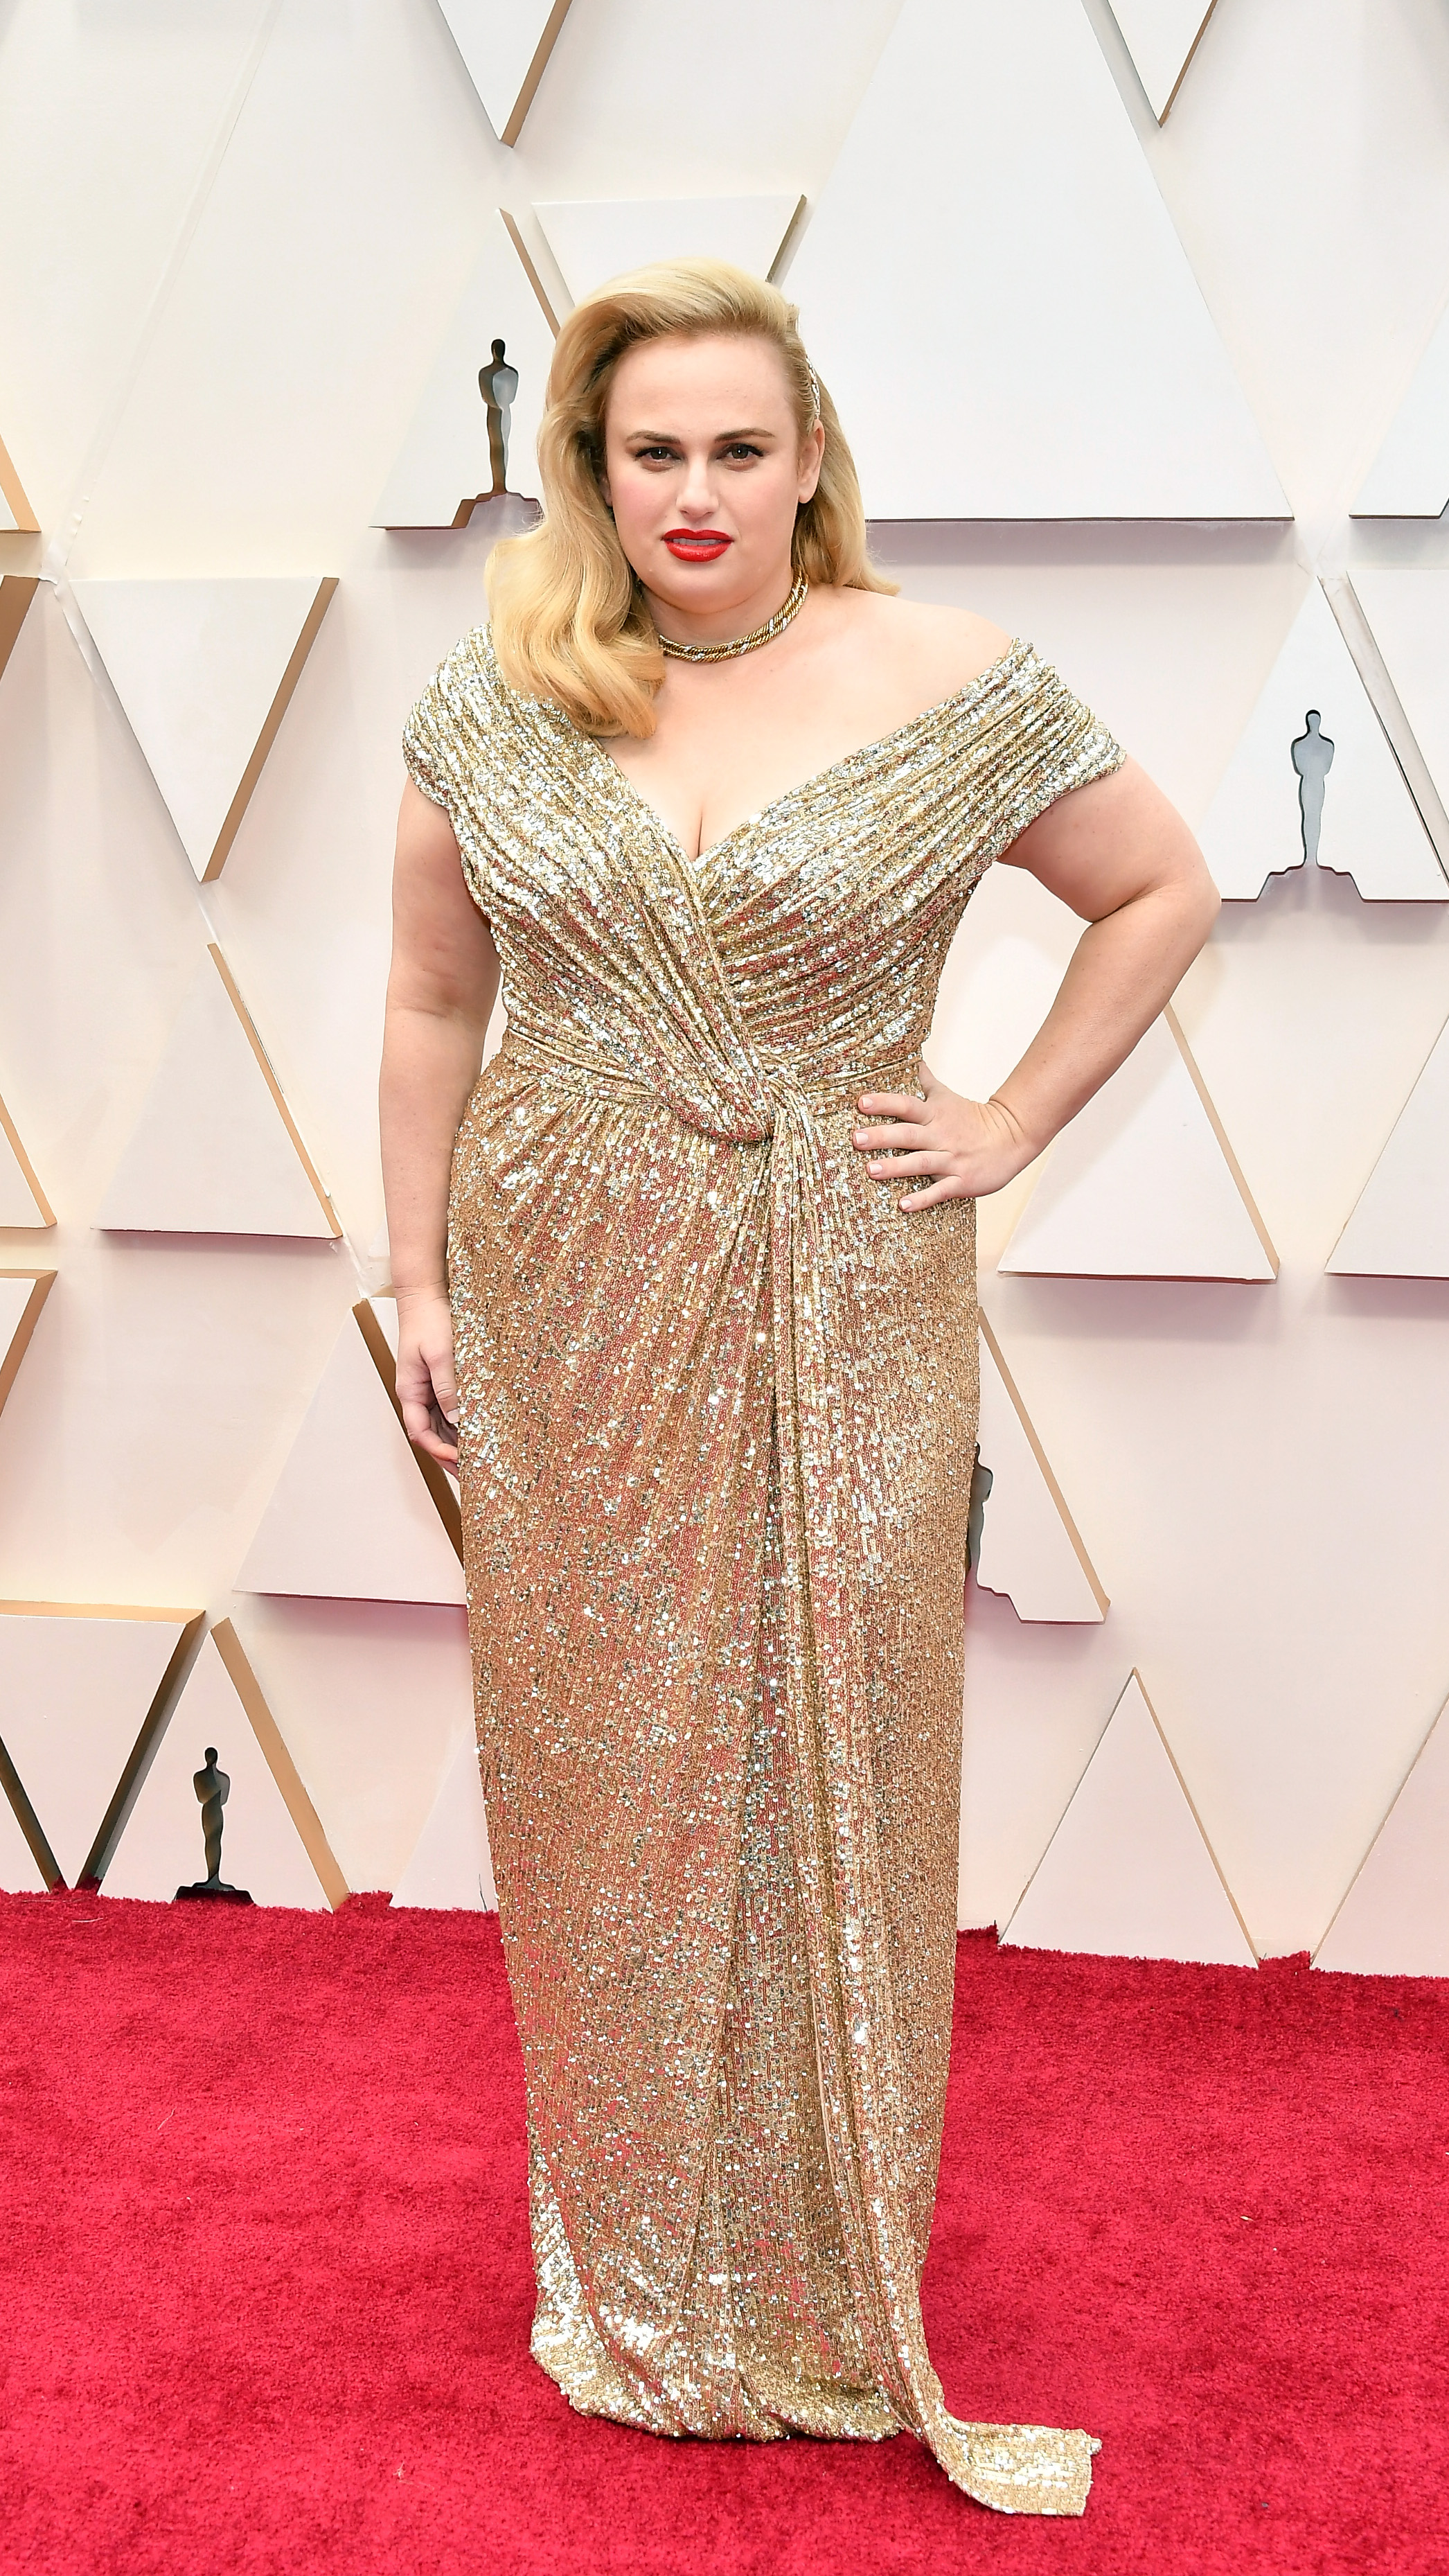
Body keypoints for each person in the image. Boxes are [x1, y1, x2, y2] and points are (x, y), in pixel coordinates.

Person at [380, 259, 1218, 2516]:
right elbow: (430, 1003)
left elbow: (1154, 887)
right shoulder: (500, 694)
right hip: (557, 1275)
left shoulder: (948, 681)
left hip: (841, 1266)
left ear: (811, 457)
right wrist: (411, 1278)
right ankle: (643, 2264)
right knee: (608, 1782)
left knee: (830, 1742)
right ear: (590, 467)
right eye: (648, 449)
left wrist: (1011, 1120)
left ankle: (825, 2283)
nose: (693, 490)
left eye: (737, 447)